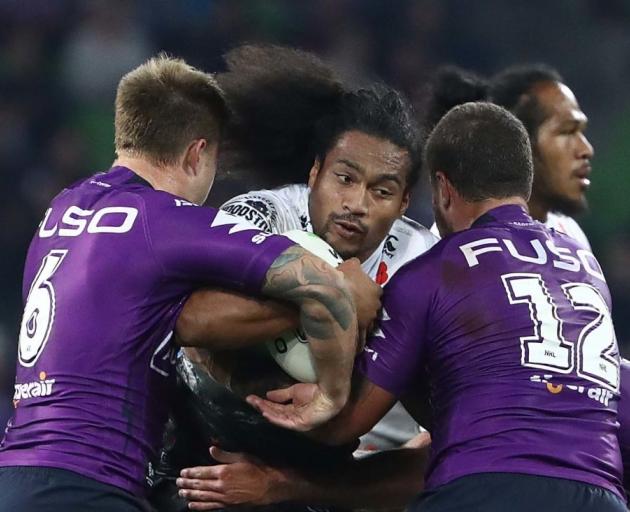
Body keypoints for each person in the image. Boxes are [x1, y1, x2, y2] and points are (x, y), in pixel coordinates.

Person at [0, 54, 360, 512]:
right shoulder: (164, 221)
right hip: (89, 487)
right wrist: (330, 397)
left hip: (12, 474)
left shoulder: (60, 210)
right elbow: (322, 284)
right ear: (196, 154)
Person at [242, 102, 625, 511]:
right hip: (601, 494)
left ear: (442, 189)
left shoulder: (436, 271)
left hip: (484, 490)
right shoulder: (586, 267)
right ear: (524, 185)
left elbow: (344, 424)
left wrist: (296, 401)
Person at [149, 44, 436, 512]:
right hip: (210, 444)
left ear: (404, 203)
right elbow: (194, 326)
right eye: (344, 178)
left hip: (344, 470)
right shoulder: (261, 217)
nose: (357, 205)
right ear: (315, 172)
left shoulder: (422, 261)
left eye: (381, 191)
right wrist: (331, 295)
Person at [426, 64, 594, 248]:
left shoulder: (570, 234)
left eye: (581, 132)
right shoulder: (452, 242)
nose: (586, 149)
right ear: (520, 143)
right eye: (567, 131)